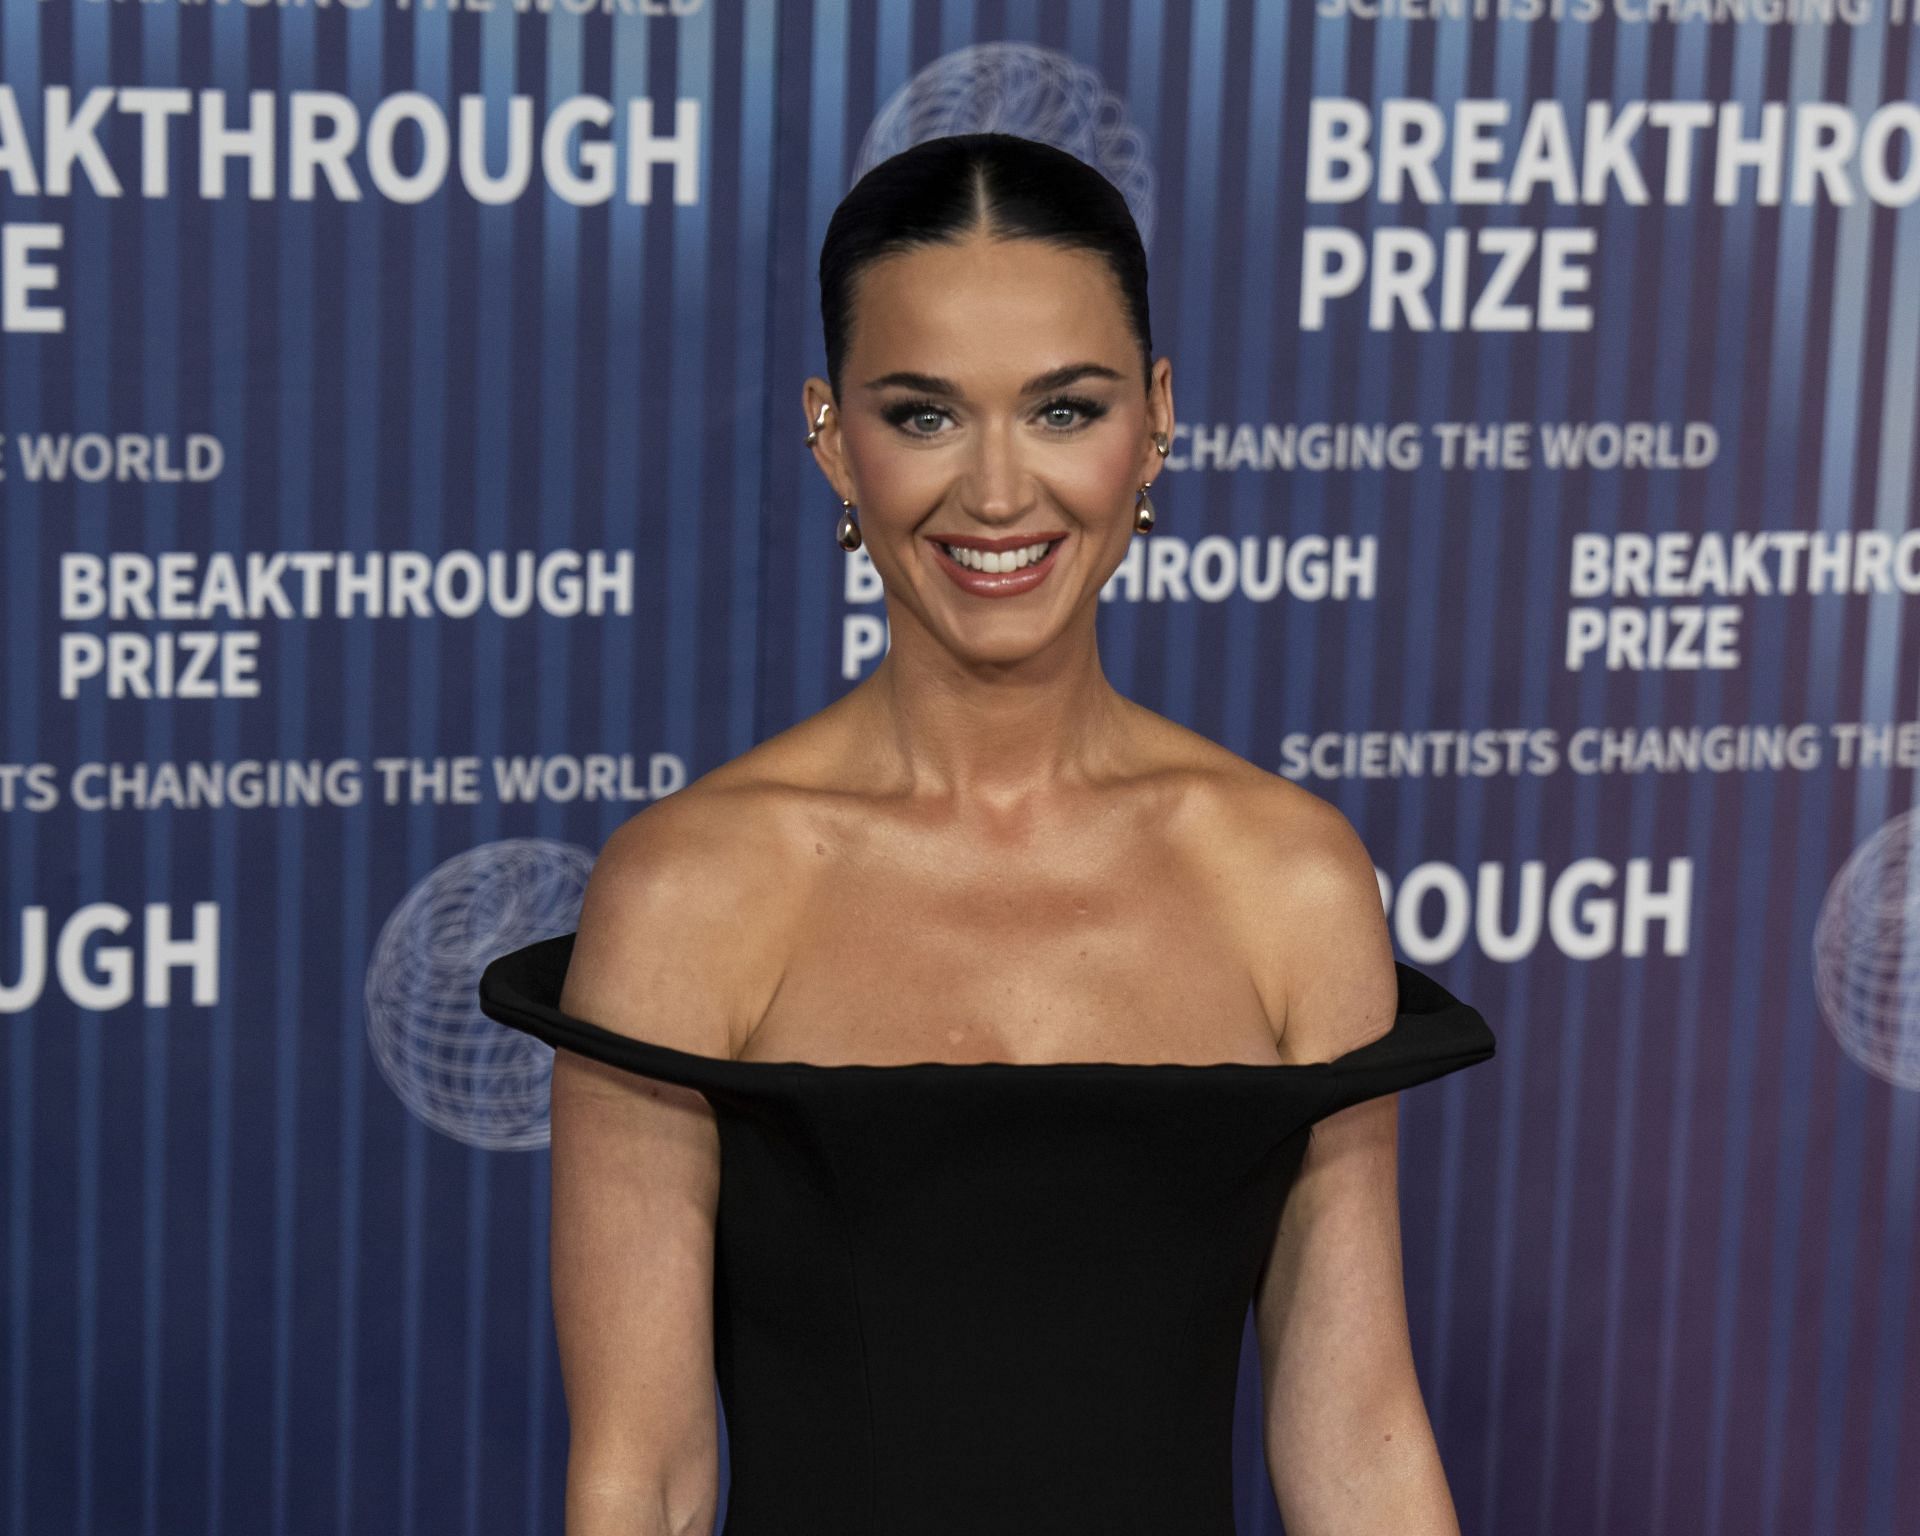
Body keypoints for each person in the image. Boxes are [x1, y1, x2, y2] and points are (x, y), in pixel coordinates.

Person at [478, 130, 1495, 1536]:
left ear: (1159, 416)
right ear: (833, 438)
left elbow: (1360, 1451)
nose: (1002, 493)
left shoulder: (1290, 880)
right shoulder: (694, 889)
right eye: (927, 415)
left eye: (1065, 410)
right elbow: (639, 1484)